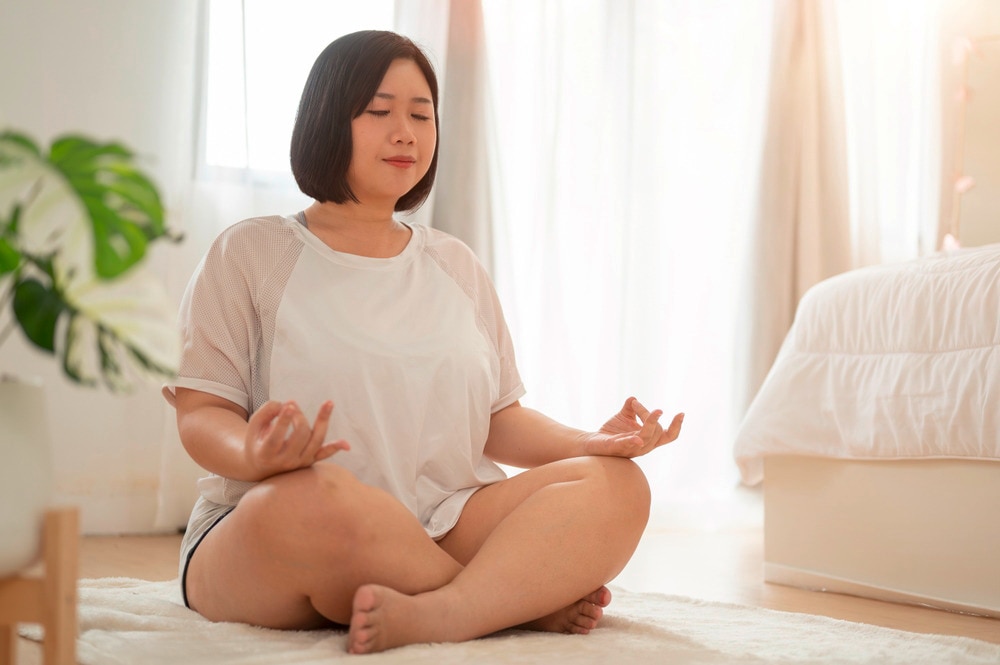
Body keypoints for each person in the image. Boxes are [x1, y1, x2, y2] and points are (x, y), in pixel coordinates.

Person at [164, 29, 684, 655]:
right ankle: (512, 599)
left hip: (443, 524)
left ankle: (452, 610)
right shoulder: (250, 253)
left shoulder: (454, 264)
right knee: (319, 500)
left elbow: (498, 418)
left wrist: (591, 444)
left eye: (421, 113)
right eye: (380, 111)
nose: (406, 132)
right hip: (283, 526)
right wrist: (255, 453)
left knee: (618, 485)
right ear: (329, 120)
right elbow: (201, 415)